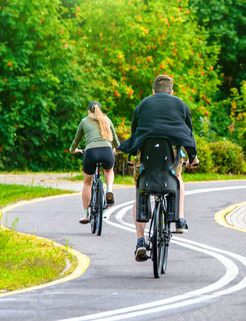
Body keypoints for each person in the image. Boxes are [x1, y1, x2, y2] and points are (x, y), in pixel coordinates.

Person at [118, 74, 199, 262]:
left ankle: (140, 240)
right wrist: (192, 157)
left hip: (145, 157)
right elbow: (188, 132)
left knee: (140, 188)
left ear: (153, 91)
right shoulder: (180, 104)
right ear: (172, 92)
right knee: (178, 178)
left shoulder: (142, 105)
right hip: (170, 156)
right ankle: (179, 219)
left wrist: (131, 157)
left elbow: (134, 133)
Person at [70, 101, 120, 224]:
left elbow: (77, 139)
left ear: (88, 111)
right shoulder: (107, 120)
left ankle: (85, 214)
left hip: (91, 153)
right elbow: (116, 140)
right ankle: (109, 189)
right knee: (109, 170)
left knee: (87, 183)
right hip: (107, 151)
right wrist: (116, 150)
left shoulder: (84, 121)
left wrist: (73, 150)